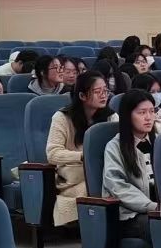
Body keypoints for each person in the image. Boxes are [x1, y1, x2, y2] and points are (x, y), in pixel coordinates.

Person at [47, 72, 113, 227]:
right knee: (102, 189)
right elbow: (53, 153)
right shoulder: (62, 117)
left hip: (105, 171)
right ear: (82, 96)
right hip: (74, 177)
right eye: (97, 91)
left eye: (106, 90)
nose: (103, 95)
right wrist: (83, 157)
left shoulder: (111, 116)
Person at [102, 89, 160, 245]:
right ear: (128, 116)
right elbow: (117, 186)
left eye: (152, 111)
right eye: (142, 112)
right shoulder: (115, 147)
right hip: (131, 215)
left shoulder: (160, 142)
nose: (148, 117)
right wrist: (151, 206)